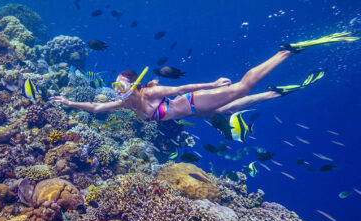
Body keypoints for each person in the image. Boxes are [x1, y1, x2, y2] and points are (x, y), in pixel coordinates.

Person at [50, 32, 358, 120]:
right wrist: (68, 102)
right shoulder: (126, 105)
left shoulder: (148, 94)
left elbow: (183, 86)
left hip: (195, 100)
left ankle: (285, 51)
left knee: (241, 87)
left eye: (122, 84)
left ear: (136, 84)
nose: (118, 90)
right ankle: (276, 92)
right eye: (115, 85)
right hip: (199, 112)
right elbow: (95, 107)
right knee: (230, 109)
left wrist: (212, 83)